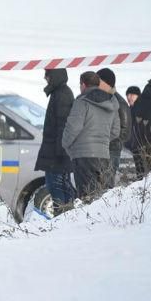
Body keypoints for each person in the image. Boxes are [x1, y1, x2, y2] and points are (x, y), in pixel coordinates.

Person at [62, 71, 119, 201]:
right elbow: (115, 131)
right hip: (104, 155)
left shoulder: (81, 102)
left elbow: (73, 128)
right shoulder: (112, 103)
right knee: (103, 199)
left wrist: (65, 143)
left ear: (83, 85)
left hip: (83, 157)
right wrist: (101, 141)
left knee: (87, 199)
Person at [34, 68, 76, 215]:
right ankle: (67, 217)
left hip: (57, 154)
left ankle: (63, 218)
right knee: (60, 186)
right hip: (57, 152)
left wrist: (61, 151)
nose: (45, 78)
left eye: (48, 75)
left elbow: (63, 125)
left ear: (54, 76)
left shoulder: (61, 94)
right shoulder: (60, 93)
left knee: (56, 187)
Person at [96, 68, 130, 186]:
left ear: (106, 82)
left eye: (98, 80)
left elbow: (125, 132)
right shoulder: (101, 99)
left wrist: (108, 140)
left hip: (111, 151)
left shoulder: (119, 103)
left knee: (105, 187)